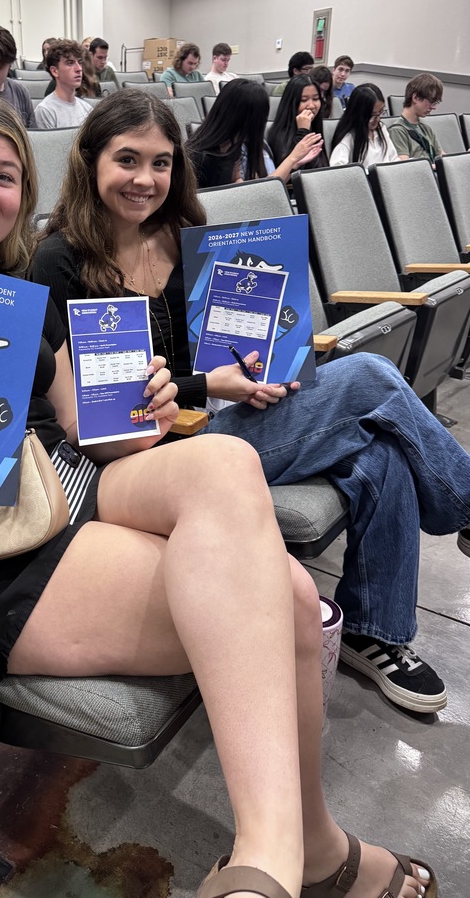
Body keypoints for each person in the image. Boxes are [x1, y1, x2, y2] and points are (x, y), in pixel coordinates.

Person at [0, 87, 436, 898]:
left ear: (24, 193)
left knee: (227, 467)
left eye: (4, 176)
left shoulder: (20, 295)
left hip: (70, 494)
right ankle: (300, 849)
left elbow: (92, 431)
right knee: (295, 603)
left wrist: (151, 407)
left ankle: (275, 854)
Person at [32, 88, 470, 718]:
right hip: (147, 450)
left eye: (161, 163)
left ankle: (376, 631)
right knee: (371, 375)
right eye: (127, 160)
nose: (145, 179)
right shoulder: (60, 261)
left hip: (221, 418)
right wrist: (211, 386)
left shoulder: (185, 235)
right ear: (91, 161)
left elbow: (208, 354)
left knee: (383, 452)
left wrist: (258, 368)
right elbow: (99, 405)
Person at [186, 79, 323, 188]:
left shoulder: (245, 144)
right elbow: (258, 195)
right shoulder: (208, 156)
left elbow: (270, 186)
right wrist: (292, 158)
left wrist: (294, 163)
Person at [266, 74, 328, 175]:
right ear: (291, 103)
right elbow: (290, 175)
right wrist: (303, 131)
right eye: (304, 100)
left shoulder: (316, 127)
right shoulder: (280, 133)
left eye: (316, 99)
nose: (311, 105)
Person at [329, 84, 399, 167]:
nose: (378, 118)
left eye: (381, 112)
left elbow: (394, 158)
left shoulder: (381, 128)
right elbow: (337, 168)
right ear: (359, 113)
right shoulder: (349, 137)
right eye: (373, 115)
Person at [34, 39, 92, 129]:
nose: (79, 69)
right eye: (70, 63)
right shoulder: (45, 111)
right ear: (54, 71)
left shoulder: (87, 108)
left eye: (80, 62)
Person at [388, 73, 446, 163]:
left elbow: (442, 158)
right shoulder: (397, 131)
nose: (433, 107)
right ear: (415, 97)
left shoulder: (426, 129)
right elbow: (404, 165)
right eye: (431, 101)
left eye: (435, 102)